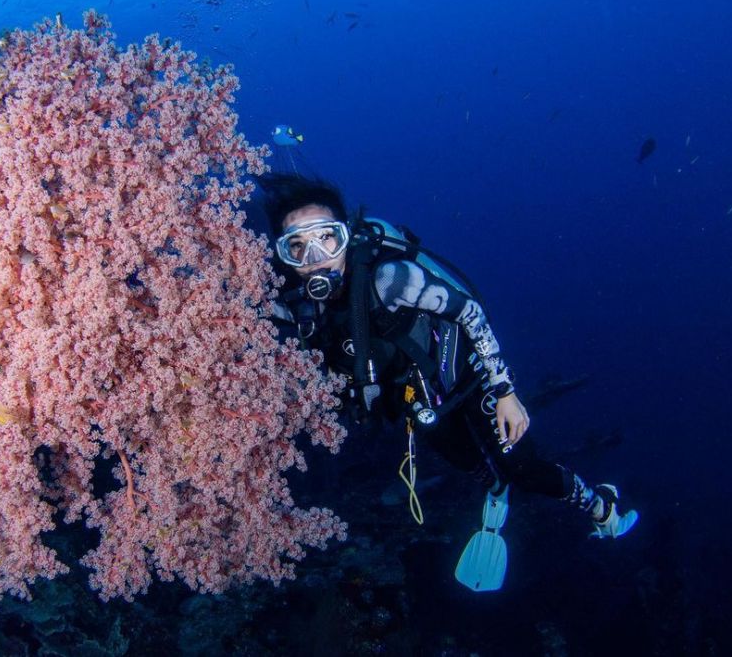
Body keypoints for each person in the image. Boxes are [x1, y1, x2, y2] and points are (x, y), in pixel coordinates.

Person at [259, 172, 638, 588]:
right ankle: (496, 489)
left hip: (468, 381)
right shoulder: (296, 307)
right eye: (296, 246)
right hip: (418, 404)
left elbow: (469, 312)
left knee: (525, 469)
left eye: (326, 237)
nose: (314, 255)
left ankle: (602, 506)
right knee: (470, 465)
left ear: (346, 236)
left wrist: (505, 391)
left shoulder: (391, 280)